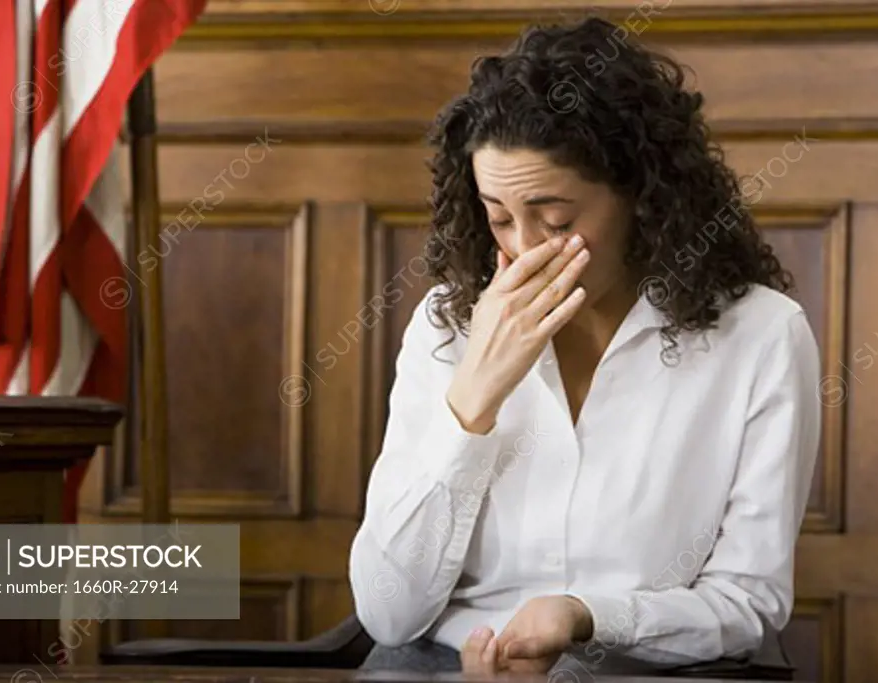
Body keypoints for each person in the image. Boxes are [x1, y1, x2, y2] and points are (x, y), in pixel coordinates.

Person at [348, 15, 821, 676]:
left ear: (641, 196)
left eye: (559, 219)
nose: (526, 249)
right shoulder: (445, 325)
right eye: (500, 218)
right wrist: (472, 400)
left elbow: (747, 601)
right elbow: (388, 612)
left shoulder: (763, 335)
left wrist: (585, 614)